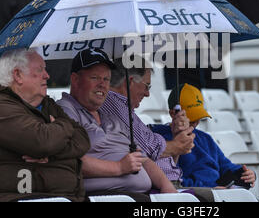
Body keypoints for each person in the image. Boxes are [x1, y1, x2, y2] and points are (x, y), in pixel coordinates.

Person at [0, 49, 90, 202]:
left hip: (62, 196)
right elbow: (42, 142)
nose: (47, 75)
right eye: (40, 70)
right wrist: (63, 125)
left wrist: (52, 153)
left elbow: (83, 140)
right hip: (20, 197)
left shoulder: (47, 104)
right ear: (18, 75)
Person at [57, 48, 177, 202]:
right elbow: (70, 161)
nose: (102, 85)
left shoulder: (110, 117)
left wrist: (167, 187)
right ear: (75, 79)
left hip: (142, 193)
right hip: (104, 196)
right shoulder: (65, 110)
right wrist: (119, 167)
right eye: (95, 78)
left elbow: (143, 159)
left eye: (106, 79)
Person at [101, 58, 215, 202]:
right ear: (130, 82)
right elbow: (150, 151)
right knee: (218, 198)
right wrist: (178, 144)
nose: (147, 93)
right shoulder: (117, 108)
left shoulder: (123, 108)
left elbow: (159, 157)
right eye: (147, 86)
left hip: (168, 186)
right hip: (160, 190)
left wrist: (176, 140)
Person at [151, 83, 256, 189]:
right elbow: (174, 180)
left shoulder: (205, 138)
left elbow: (225, 166)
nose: (196, 122)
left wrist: (245, 174)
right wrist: (211, 189)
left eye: (198, 117)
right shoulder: (161, 140)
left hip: (219, 190)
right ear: (173, 114)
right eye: (191, 118)